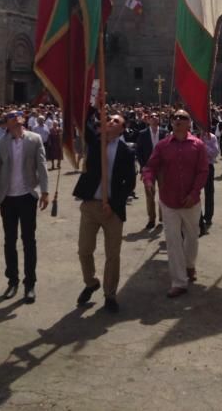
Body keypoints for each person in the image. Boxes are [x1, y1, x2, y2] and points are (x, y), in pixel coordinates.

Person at [0, 111, 49, 303]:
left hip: (27, 196)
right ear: (7, 125)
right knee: (9, 240)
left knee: (29, 240)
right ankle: (12, 281)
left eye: (20, 120)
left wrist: (44, 191)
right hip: (7, 198)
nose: (19, 122)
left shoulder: (34, 139)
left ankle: (30, 284)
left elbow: (42, 166)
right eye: (14, 121)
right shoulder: (1, 142)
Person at [73, 111, 136, 313]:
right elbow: (82, 121)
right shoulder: (96, 141)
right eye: (109, 119)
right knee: (84, 249)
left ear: (123, 129)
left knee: (112, 255)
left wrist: (114, 203)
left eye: (116, 121)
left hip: (113, 210)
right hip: (91, 205)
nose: (110, 122)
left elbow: (130, 183)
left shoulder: (126, 152)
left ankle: (110, 294)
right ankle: (91, 282)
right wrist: (93, 104)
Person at [143, 110, 208, 298]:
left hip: (191, 202)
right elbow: (150, 166)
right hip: (169, 201)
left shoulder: (198, 145)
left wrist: (194, 193)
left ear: (189, 123)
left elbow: (203, 171)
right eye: (175, 118)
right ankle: (179, 281)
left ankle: (189, 265)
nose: (178, 120)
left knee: (192, 237)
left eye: (183, 118)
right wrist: (148, 180)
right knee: (172, 242)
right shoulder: (163, 146)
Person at [135, 112, 167, 229]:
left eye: (156, 116)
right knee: (149, 194)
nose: (154, 118)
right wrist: (143, 166)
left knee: (163, 193)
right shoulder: (143, 134)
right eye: (151, 117)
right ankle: (151, 218)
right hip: (148, 168)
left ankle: (163, 216)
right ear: (148, 120)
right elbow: (138, 151)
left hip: (162, 168)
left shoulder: (164, 132)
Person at [199, 128, 219, 235]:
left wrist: (203, 145)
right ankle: (198, 217)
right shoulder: (193, 136)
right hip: (195, 168)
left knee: (209, 192)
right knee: (195, 193)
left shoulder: (212, 137)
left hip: (208, 166)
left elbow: (215, 153)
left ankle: (208, 216)